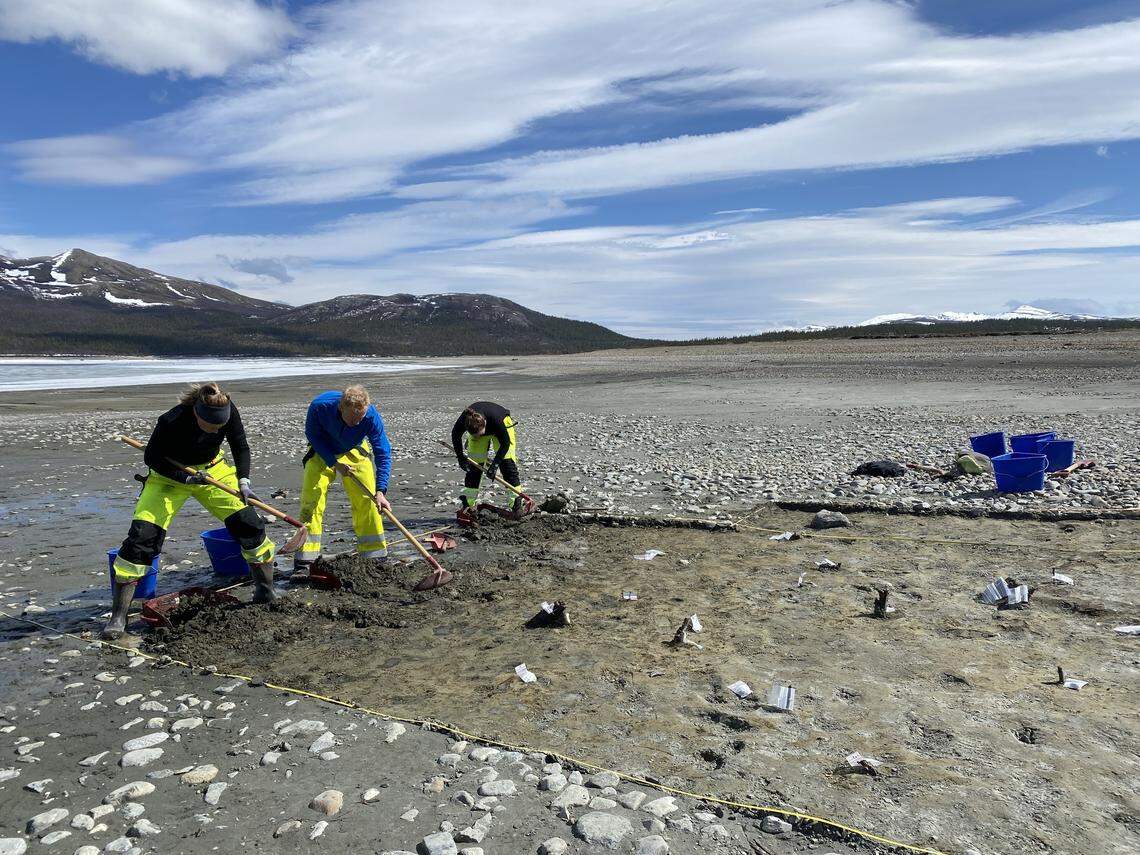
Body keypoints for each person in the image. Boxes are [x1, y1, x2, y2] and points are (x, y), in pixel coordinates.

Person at [104, 382, 277, 639]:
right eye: (212, 426)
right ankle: (118, 617)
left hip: (212, 470)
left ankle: (265, 591)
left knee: (249, 524)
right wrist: (185, 479)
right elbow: (152, 458)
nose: (217, 429)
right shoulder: (171, 420)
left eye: (221, 426)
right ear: (197, 414)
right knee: (143, 537)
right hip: (169, 476)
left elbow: (240, 446)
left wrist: (244, 482)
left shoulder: (228, 411)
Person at [297, 385, 392, 571]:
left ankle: (375, 556)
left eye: (361, 418)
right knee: (312, 500)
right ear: (341, 408)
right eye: (353, 418)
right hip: (323, 450)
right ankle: (305, 559)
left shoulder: (371, 416)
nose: (357, 423)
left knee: (369, 500)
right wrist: (333, 462)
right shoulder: (319, 406)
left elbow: (383, 451)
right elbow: (312, 435)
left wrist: (381, 490)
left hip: (354, 449)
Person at [451, 401, 524, 514]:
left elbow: (505, 444)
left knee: (507, 464)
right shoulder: (465, 420)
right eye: (475, 435)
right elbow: (455, 435)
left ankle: (516, 502)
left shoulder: (496, 421)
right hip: (479, 428)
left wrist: (494, 466)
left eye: (480, 434)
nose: (478, 437)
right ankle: (469, 505)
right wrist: (460, 457)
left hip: (502, 427)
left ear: (484, 423)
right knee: (474, 467)